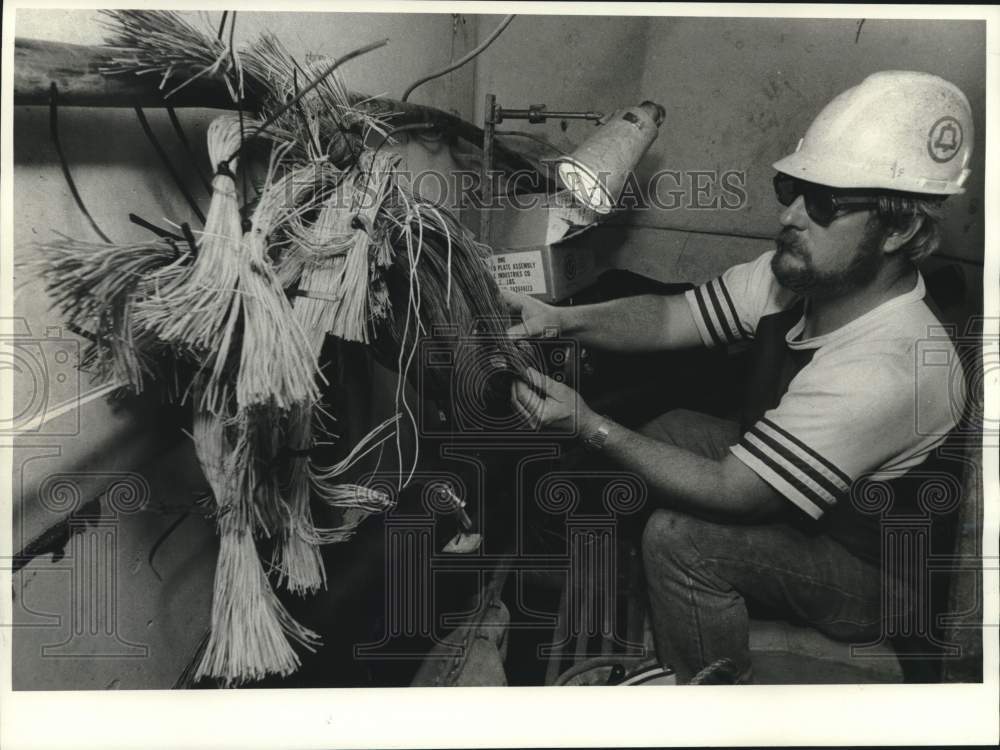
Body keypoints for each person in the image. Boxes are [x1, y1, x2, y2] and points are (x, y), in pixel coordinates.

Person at [503, 70, 974, 684]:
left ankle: (713, 697)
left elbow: (734, 491)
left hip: (874, 577)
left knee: (679, 539)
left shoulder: (891, 363)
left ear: (901, 231)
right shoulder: (796, 277)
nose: (790, 214)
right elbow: (671, 316)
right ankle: (608, 619)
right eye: (792, 188)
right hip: (813, 510)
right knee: (672, 426)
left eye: (824, 203)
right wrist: (560, 319)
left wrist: (590, 424)